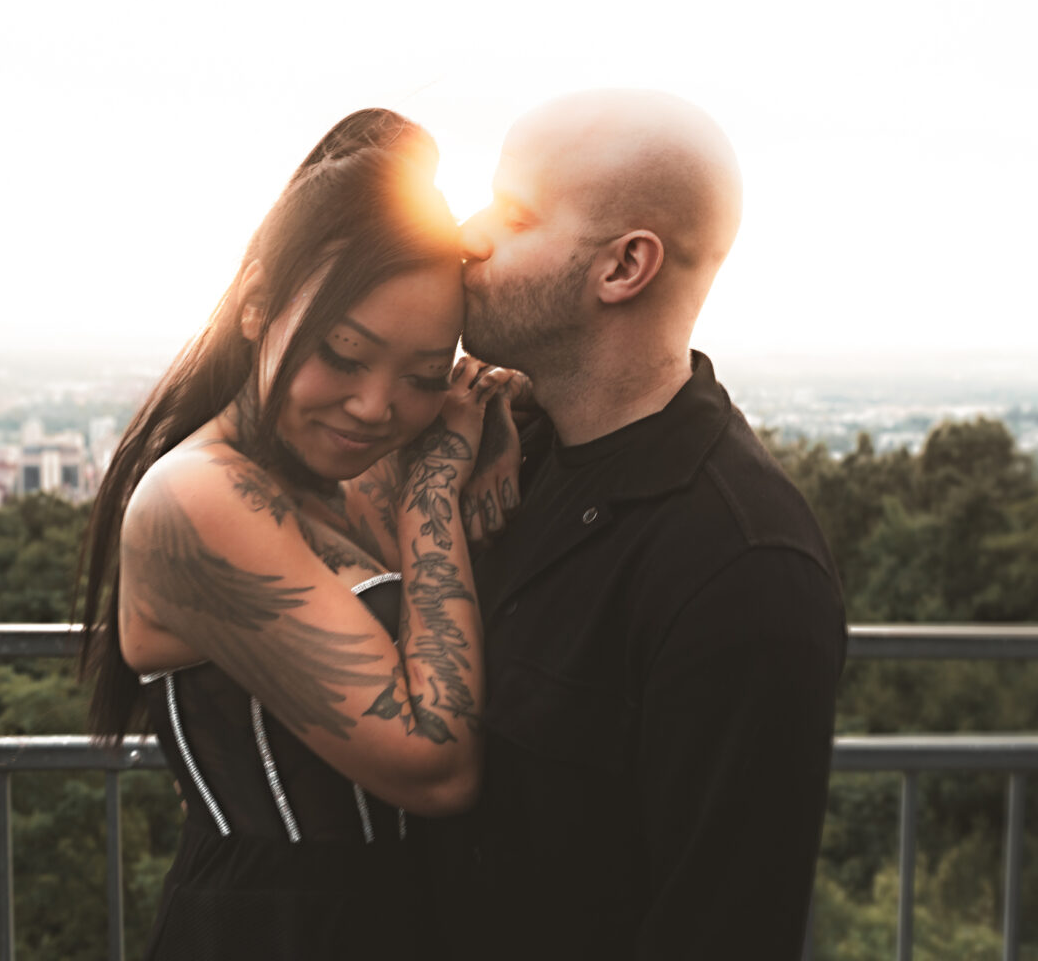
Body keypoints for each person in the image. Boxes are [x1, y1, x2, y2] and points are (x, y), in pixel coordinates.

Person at [76, 109, 512, 959]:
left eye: (423, 377)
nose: (375, 405)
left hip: (398, 917)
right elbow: (437, 761)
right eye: (344, 356)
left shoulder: (340, 472)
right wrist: (431, 492)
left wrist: (490, 428)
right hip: (278, 930)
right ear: (257, 308)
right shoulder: (195, 498)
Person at [428, 89, 848, 959]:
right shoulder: (503, 446)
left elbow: (723, 926)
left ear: (625, 267)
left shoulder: (741, 568)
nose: (469, 233)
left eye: (515, 214)